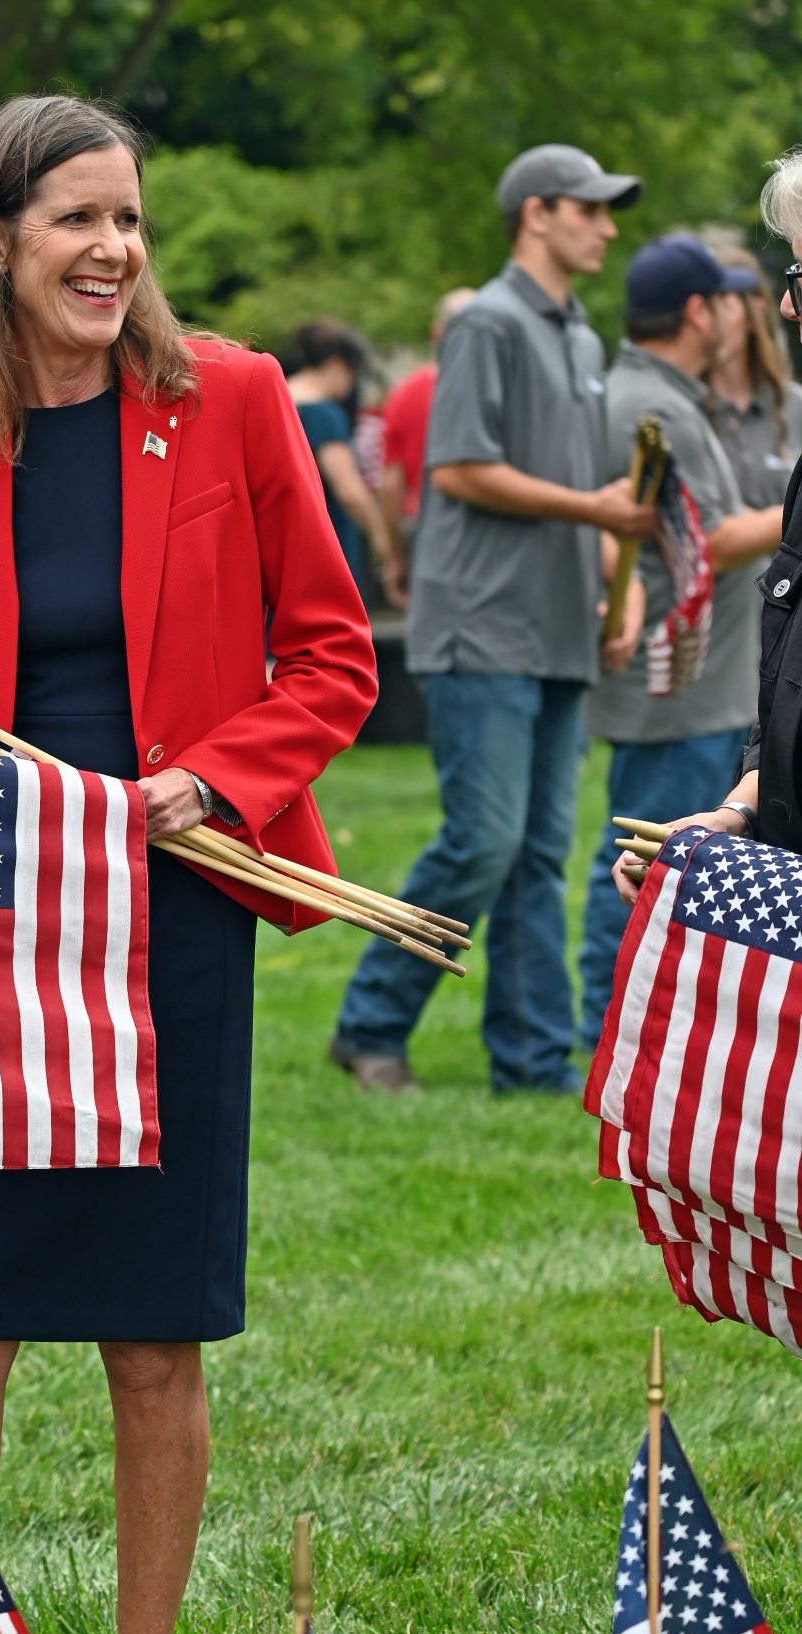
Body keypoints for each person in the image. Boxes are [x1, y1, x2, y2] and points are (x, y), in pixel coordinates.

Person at [0, 94, 376, 1634]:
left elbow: (332, 658)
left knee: (151, 1342)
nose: (114, 251)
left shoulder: (226, 400)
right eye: (78, 220)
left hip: (171, 913)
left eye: (131, 222)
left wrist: (202, 783)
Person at [330, 142, 653, 1095]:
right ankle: (370, 1022)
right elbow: (461, 469)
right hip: (482, 628)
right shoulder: (488, 323)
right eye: (591, 209)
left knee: (540, 852)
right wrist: (598, 514)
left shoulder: (580, 337)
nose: (608, 226)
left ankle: (531, 1061)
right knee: (484, 840)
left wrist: (619, 585)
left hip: (558, 629)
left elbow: (595, 492)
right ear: (537, 214)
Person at [581, 239, 784, 1047]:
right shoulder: (651, 402)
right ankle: (610, 1023)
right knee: (645, 859)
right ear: (703, 310)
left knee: (657, 853)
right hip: (680, 682)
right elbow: (720, 538)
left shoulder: (657, 391)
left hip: (699, 676)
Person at [614, 150, 802, 896]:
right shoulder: (661, 407)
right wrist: (741, 812)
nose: (783, 306)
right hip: (684, 685)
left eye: (797, 278)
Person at [378, 287, 476, 603]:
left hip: (426, 534)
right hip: (488, 531)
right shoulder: (504, 394)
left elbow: (392, 484)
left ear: (437, 333)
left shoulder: (405, 393)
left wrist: (395, 559)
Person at [285, 318, 393, 589]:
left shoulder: (279, 402)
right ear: (335, 365)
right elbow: (348, 489)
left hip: (286, 542)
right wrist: (383, 541)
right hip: (325, 544)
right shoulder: (322, 412)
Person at [703, 244, 802, 509]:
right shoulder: (685, 409)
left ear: (755, 311)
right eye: (701, 308)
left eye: (721, 306)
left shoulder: (796, 406)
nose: (708, 322)